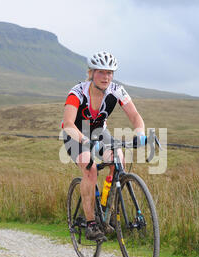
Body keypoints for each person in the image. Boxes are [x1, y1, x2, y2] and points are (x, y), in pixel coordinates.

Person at [61, 51, 147, 241]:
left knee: (119, 162)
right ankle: (91, 223)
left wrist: (140, 132)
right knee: (90, 169)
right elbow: (68, 124)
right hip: (75, 133)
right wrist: (84, 141)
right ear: (91, 73)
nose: (106, 77)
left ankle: (108, 208)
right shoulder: (77, 92)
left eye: (110, 73)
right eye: (101, 72)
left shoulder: (117, 90)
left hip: (99, 132)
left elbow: (135, 116)